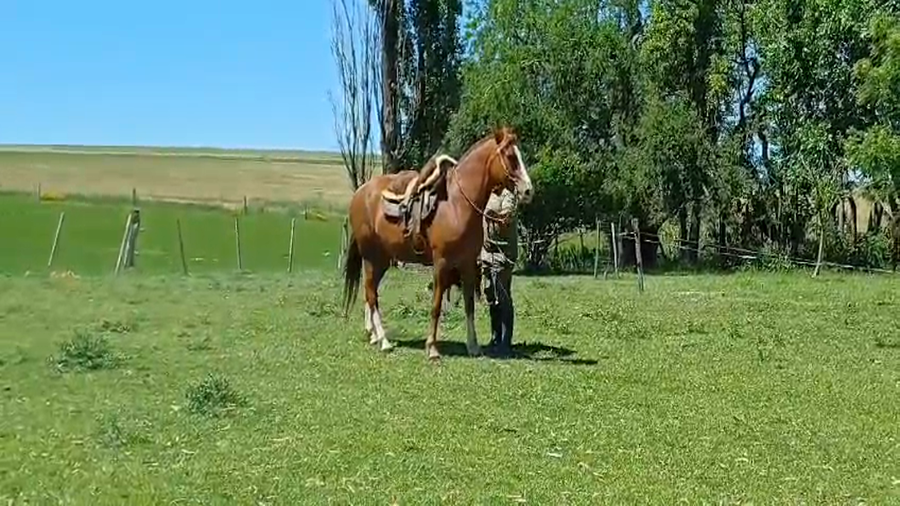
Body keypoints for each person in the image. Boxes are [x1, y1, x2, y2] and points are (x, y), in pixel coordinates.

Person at [480, 187, 519, 355]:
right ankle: (495, 338)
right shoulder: (486, 194)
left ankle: (506, 341)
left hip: (503, 254)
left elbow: (507, 218)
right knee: (490, 295)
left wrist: (492, 215)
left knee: (503, 295)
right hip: (487, 253)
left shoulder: (508, 195)